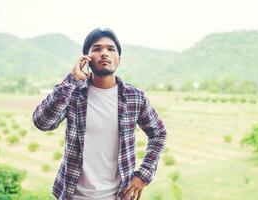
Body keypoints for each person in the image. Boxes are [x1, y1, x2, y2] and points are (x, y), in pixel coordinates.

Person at [32, 28, 167, 200]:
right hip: (72, 196)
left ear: (119, 59)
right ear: (86, 58)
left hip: (117, 196)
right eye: (97, 49)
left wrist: (144, 174)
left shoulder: (134, 97)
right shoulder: (73, 93)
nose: (104, 53)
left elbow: (159, 133)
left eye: (111, 49)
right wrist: (72, 79)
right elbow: (42, 122)